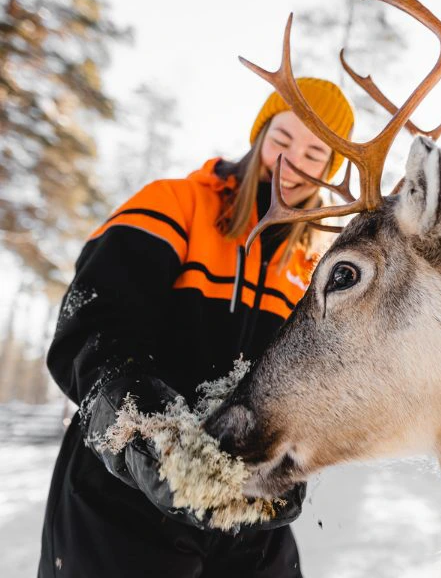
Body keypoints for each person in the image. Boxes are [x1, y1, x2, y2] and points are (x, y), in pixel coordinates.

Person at [37, 77, 355, 578]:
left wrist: (291, 460)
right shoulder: (175, 204)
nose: (293, 162)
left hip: (247, 520)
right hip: (121, 502)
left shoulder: (310, 269)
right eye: (283, 139)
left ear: (330, 171)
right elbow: (91, 332)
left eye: (316, 153)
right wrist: (152, 434)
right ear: (259, 136)